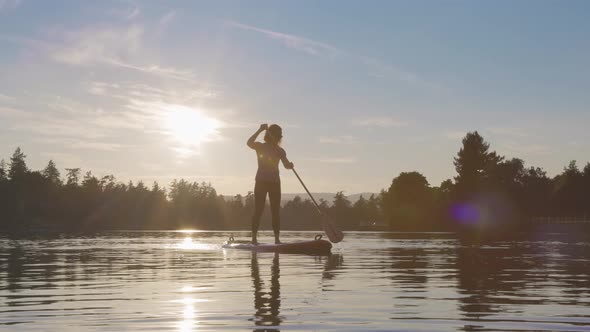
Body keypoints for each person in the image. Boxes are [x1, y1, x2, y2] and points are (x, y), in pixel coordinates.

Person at [247, 124, 293, 244]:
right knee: (258, 210)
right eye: (278, 135)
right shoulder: (260, 146)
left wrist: (290, 165)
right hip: (261, 182)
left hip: (275, 183)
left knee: (275, 211)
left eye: (279, 136)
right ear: (272, 135)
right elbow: (249, 142)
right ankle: (254, 238)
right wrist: (260, 129)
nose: (279, 138)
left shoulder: (280, 151)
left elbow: (286, 165)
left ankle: (277, 239)